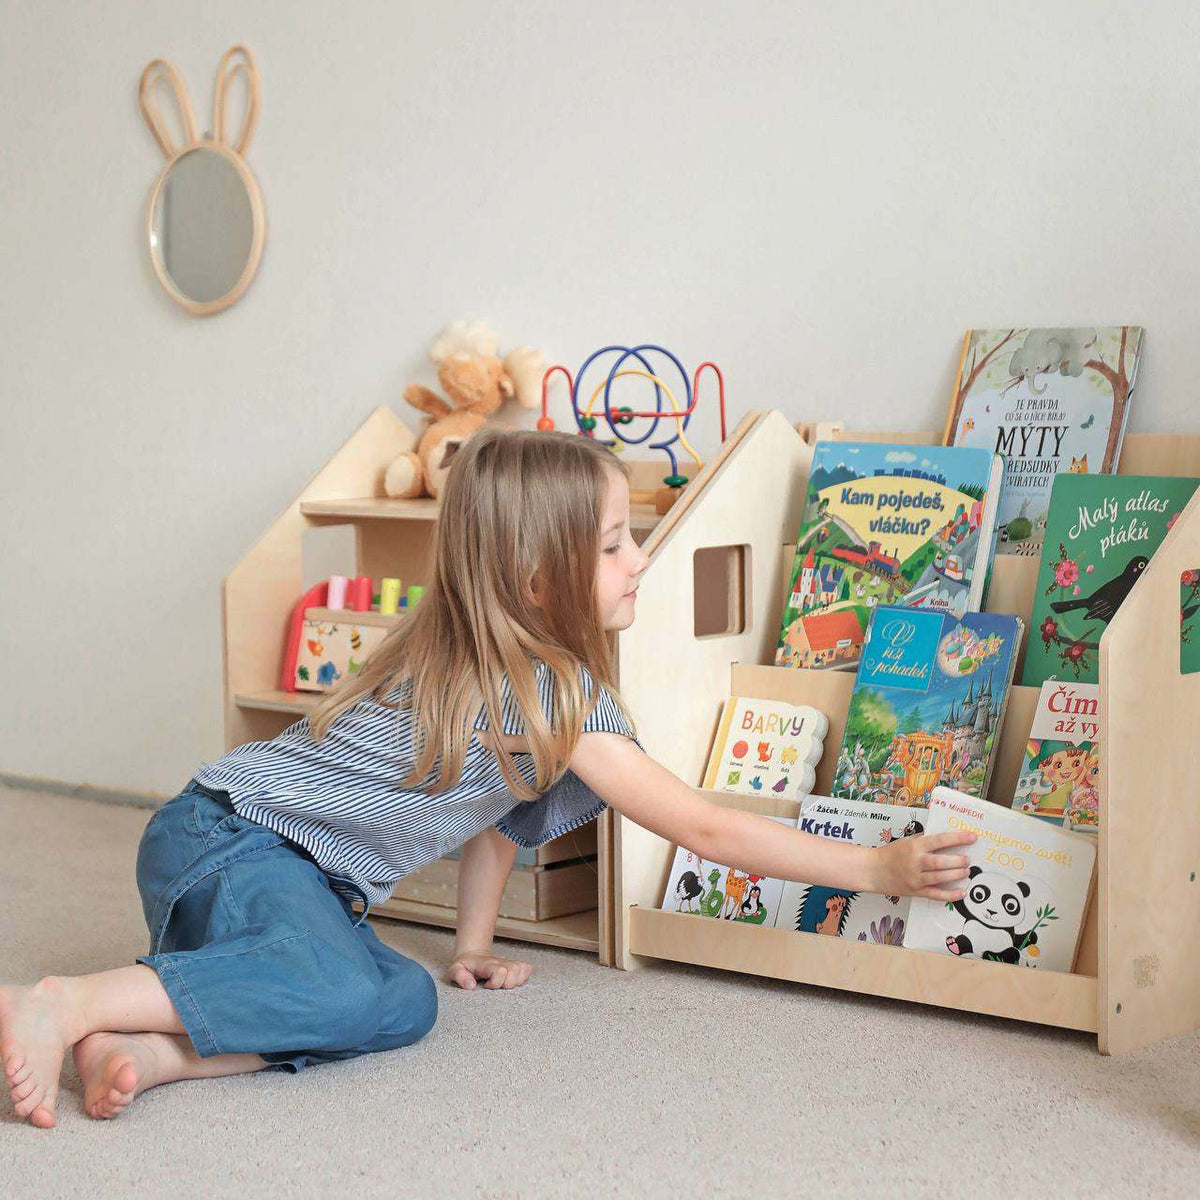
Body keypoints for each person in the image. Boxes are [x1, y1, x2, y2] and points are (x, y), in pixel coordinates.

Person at [0, 429, 974, 1128]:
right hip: (234, 840)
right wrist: (877, 870)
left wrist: (469, 944)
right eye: (613, 546)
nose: (640, 562)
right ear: (534, 580)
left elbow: (500, 822)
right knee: (333, 984)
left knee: (408, 1000)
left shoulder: (523, 682)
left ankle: (152, 1050)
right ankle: (67, 1001)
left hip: (262, 869)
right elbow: (707, 830)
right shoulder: (550, 698)